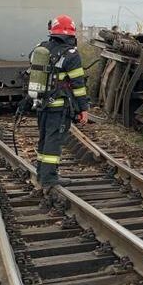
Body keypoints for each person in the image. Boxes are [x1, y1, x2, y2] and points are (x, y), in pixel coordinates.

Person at [32, 14, 90, 192]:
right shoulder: (71, 54)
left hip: (41, 103)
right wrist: (84, 109)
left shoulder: (41, 49)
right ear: (71, 34)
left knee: (44, 138)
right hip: (58, 107)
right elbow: (78, 86)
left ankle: (41, 173)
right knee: (54, 140)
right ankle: (49, 179)